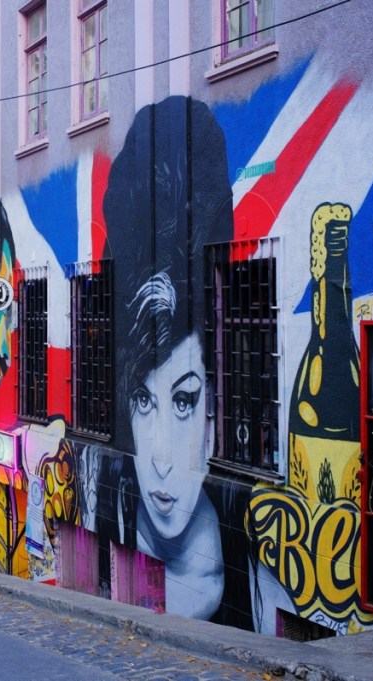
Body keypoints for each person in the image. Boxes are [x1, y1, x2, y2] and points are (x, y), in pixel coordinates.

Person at [101, 96, 257, 629]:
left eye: (185, 400)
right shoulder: (105, 516)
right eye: (143, 399)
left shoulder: (260, 577)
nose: (162, 460)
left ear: (218, 400)